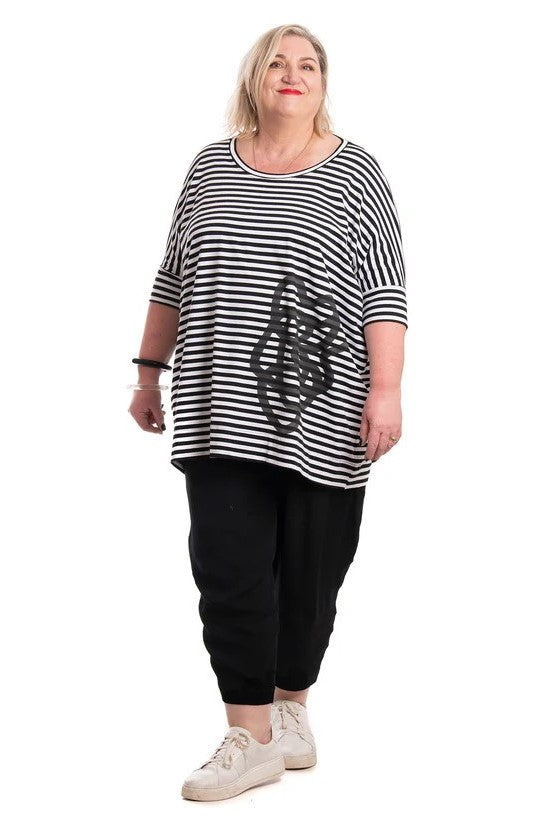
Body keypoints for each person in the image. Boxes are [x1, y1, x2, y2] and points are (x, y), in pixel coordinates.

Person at [128, 23, 407, 802]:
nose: (292, 74)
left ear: (322, 83)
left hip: (325, 410)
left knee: (312, 574)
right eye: (277, 62)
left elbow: (384, 288)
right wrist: (148, 373)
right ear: (255, 78)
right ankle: (248, 735)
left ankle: (291, 707)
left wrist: (385, 390)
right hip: (216, 403)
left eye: (307, 64)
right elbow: (172, 273)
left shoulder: (356, 173)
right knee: (227, 566)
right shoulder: (209, 166)